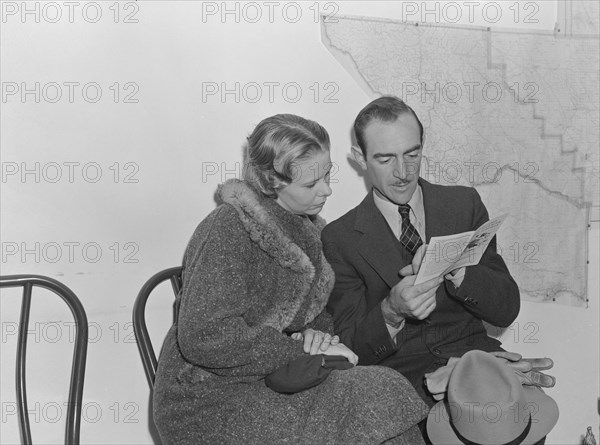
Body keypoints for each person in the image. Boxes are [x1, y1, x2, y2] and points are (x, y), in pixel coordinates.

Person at [152, 114, 429, 444]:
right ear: (272, 182)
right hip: (208, 398)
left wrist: (318, 336)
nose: (326, 190)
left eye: (327, 175)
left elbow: (315, 313)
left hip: (271, 379)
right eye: (311, 184)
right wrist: (294, 350)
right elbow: (204, 336)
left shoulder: (307, 228)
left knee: (384, 398)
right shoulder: (228, 228)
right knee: (377, 391)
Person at [321, 96, 521, 409]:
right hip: (402, 384)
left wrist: (461, 272)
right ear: (360, 158)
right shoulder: (339, 238)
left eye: (412, 154)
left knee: (523, 421)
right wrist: (391, 311)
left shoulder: (463, 205)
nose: (403, 172)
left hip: (474, 363)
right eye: (385, 159)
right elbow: (348, 349)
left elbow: (506, 309)